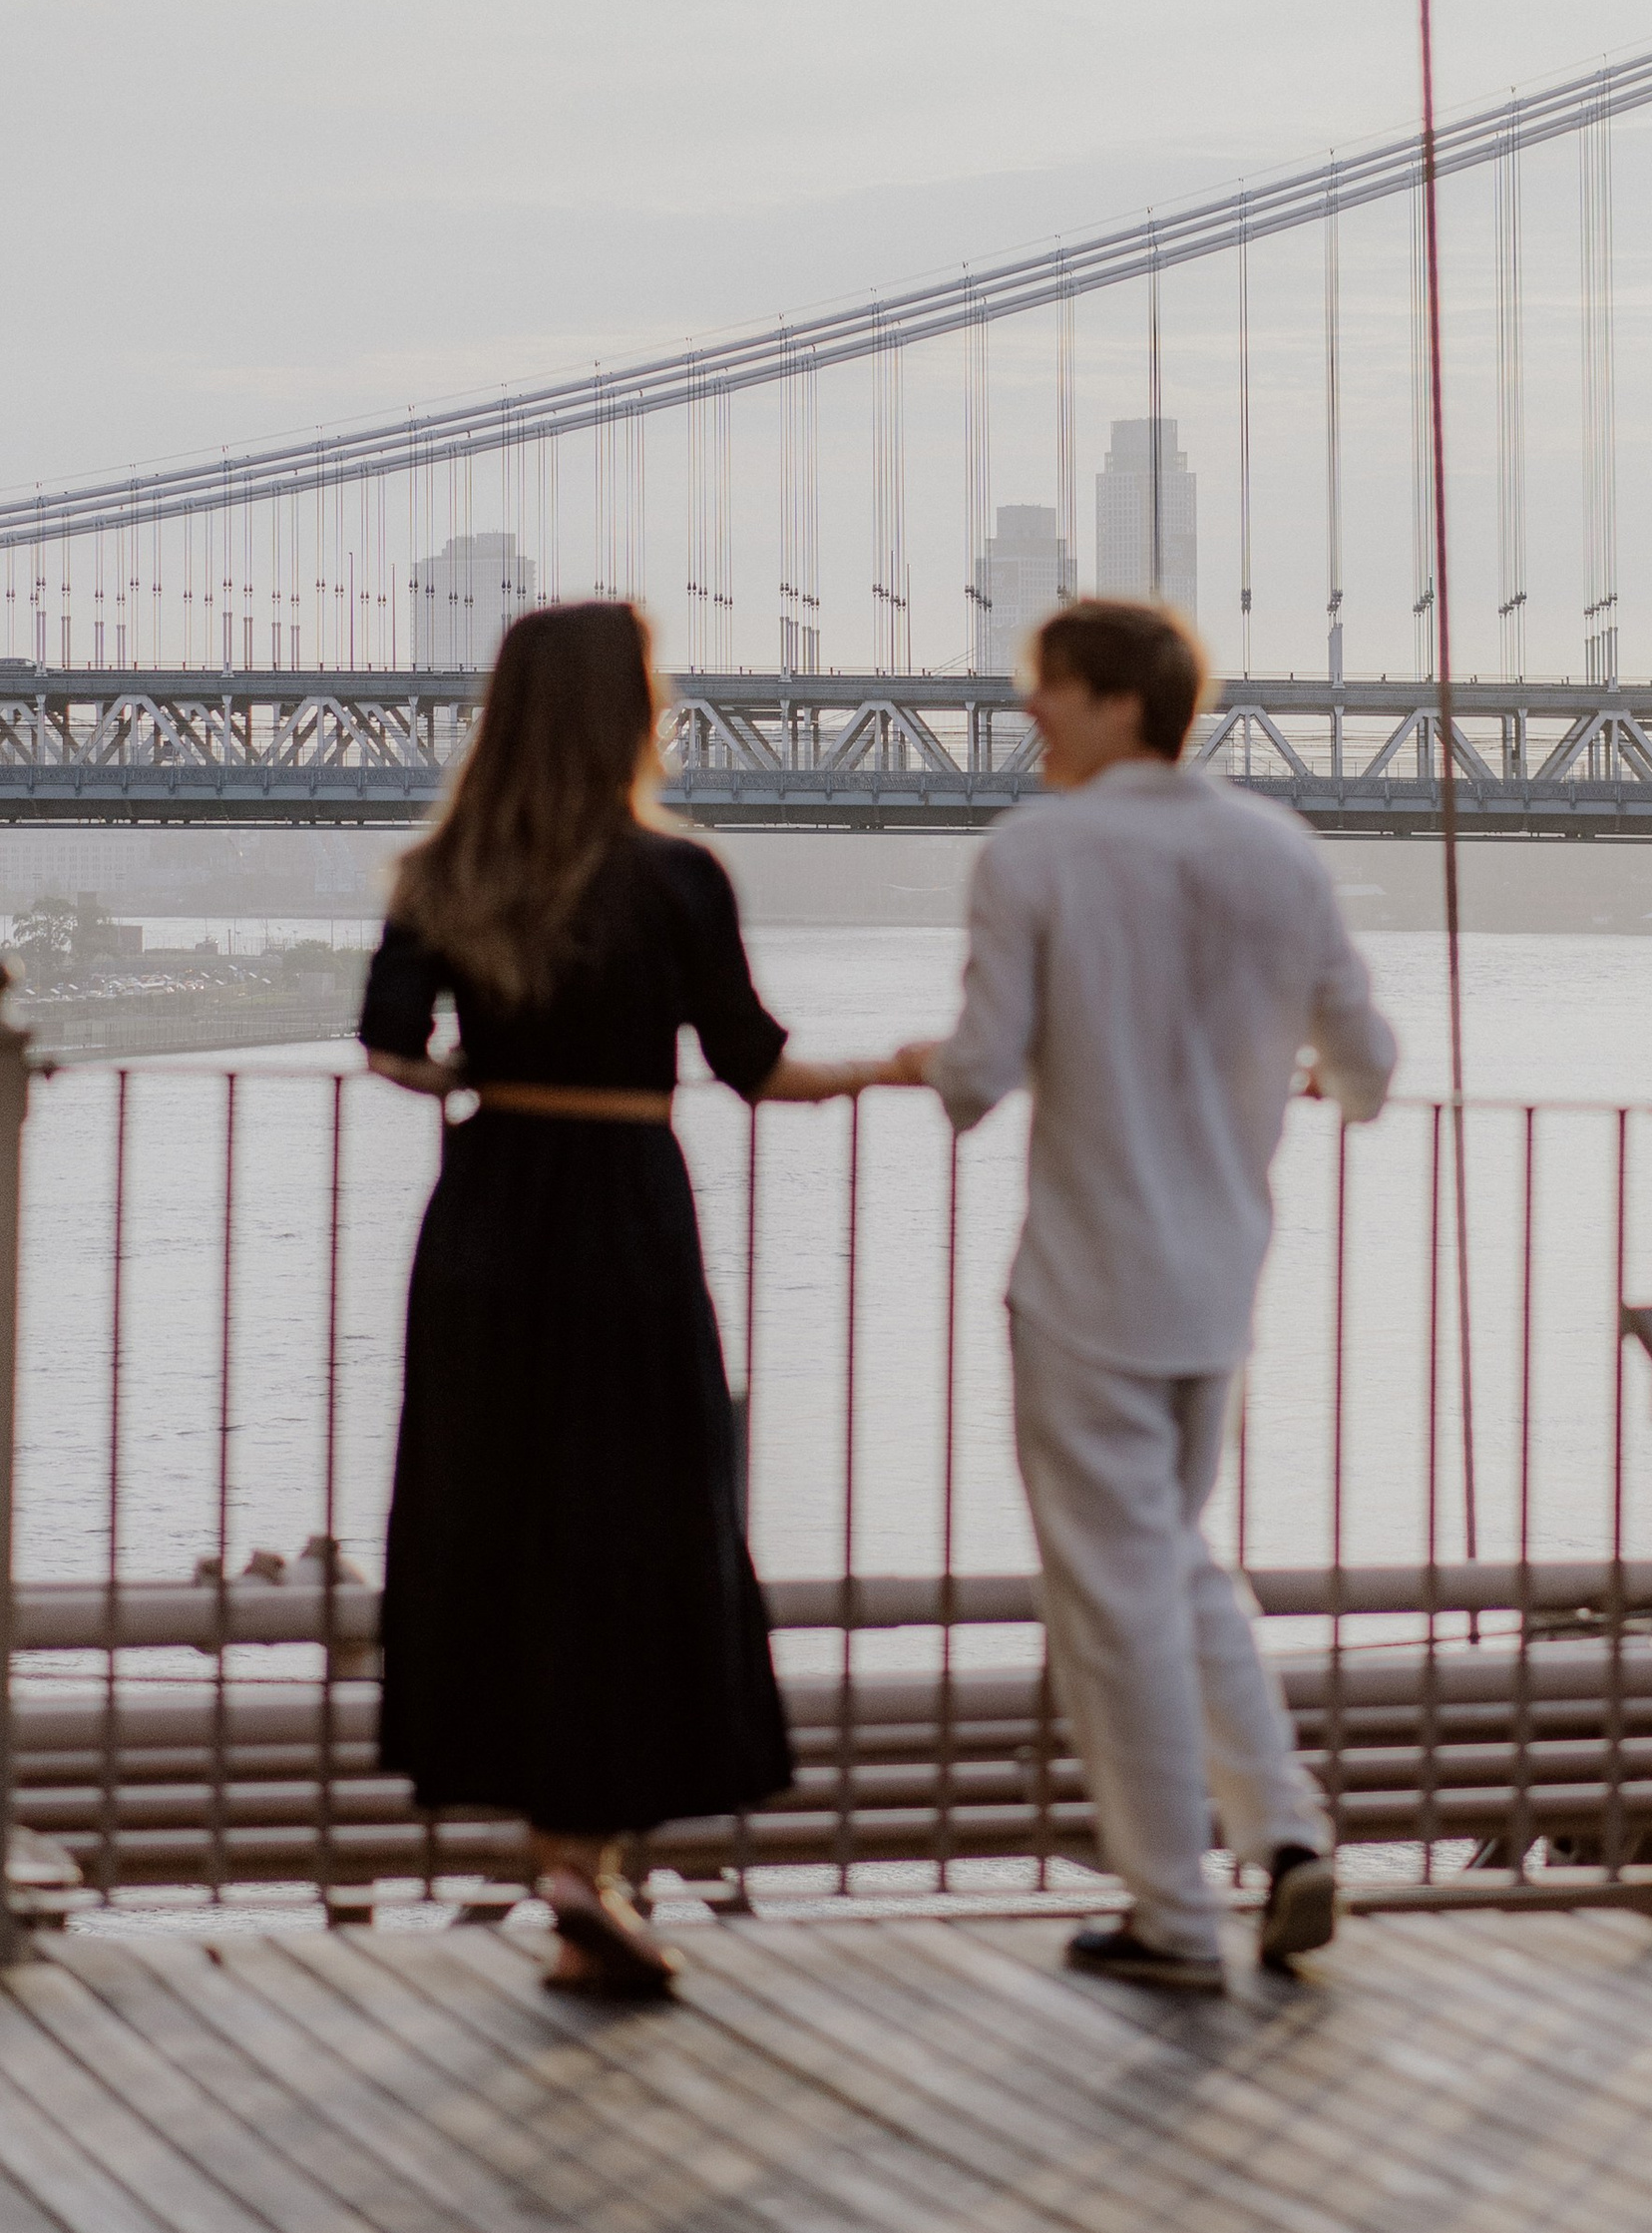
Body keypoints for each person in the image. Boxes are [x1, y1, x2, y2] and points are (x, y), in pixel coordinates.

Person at [862, 599, 1397, 1990]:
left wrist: (910, 1057)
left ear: (1113, 703)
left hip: (1089, 1281)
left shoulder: (1038, 848)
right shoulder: (1277, 845)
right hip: (1222, 1275)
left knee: (1113, 1594)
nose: (1027, 710)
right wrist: (1287, 1081)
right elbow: (1370, 1064)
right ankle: (1284, 1836)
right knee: (1172, 1555)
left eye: (1046, 688)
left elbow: (981, 1073)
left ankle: (1170, 1912)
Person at [359, 599, 867, 1999]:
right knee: (639, 1520)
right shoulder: (678, 874)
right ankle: (591, 1862)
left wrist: (481, 1079)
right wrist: (901, 1066)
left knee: (499, 1513)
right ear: (630, 713)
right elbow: (755, 1064)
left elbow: (391, 1045)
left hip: (488, 1217)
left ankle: (566, 1862)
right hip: (628, 1216)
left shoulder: (444, 867)